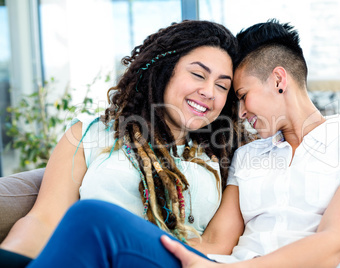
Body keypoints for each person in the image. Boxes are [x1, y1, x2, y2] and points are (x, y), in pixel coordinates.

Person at [20, 19, 340, 268]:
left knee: (93, 219)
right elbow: (218, 238)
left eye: (237, 92)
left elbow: (334, 243)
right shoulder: (248, 154)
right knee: (96, 221)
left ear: (279, 80)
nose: (234, 108)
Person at [0, 20, 244, 267]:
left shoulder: (223, 155)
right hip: (87, 257)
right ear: (164, 69)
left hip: (168, 260)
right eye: (198, 75)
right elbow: (44, 220)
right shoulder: (91, 132)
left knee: (91, 215)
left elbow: (216, 243)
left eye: (222, 86)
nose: (209, 92)